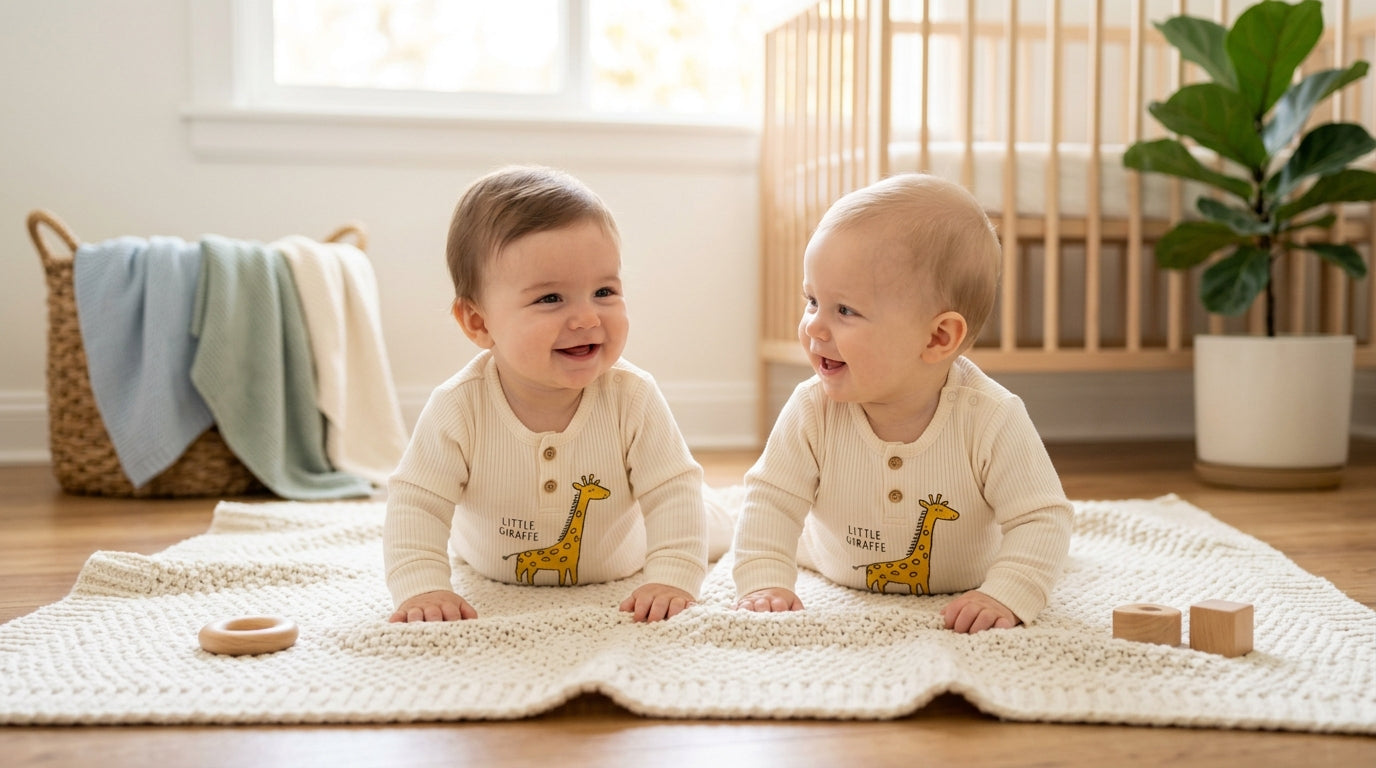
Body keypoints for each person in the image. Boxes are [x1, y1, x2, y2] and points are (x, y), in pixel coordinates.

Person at [385, 165, 728, 624]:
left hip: (628, 549)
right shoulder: (457, 407)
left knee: (707, 521)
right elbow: (417, 503)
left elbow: (671, 493)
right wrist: (423, 587)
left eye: (604, 291)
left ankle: (727, 510)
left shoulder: (633, 397)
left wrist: (673, 575)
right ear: (479, 322)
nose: (587, 318)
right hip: (485, 562)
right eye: (550, 299)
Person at [732, 173, 1073, 633]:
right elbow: (771, 501)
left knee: (1040, 543)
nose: (814, 327)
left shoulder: (990, 417)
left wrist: (1006, 592)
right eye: (812, 301)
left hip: (969, 575)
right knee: (736, 520)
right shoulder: (812, 409)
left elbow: (1042, 517)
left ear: (937, 337)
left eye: (845, 310)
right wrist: (765, 580)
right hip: (828, 558)